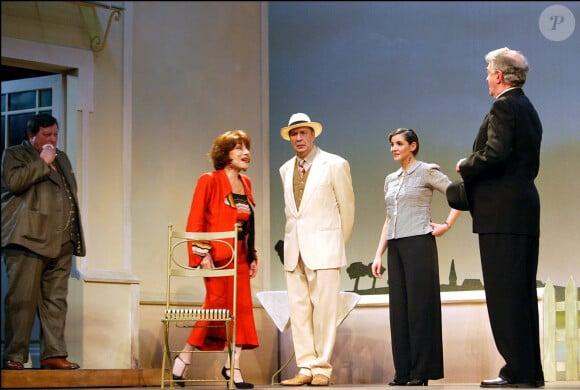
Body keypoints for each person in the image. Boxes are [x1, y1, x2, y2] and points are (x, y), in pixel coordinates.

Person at [456, 47, 544, 388]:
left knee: (506, 296)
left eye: (488, 71)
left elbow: (495, 153)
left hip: (502, 216)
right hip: (521, 211)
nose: (485, 78)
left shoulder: (504, 106)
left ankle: (516, 371)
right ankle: (528, 371)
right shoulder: (528, 108)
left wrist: (466, 165)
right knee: (519, 294)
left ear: (499, 76)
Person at [371, 128, 461, 387]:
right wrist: (379, 253)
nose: (394, 148)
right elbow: (389, 218)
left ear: (413, 145)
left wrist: (446, 225)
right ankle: (404, 372)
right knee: (399, 311)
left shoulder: (426, 171)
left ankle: (421, 371)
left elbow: (459, 195)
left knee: (420, 310)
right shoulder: (391, 179)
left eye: (399, 143)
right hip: (396, 248)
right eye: (391, 144)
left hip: (419, 244)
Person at [171, 130, 259, 389]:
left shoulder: (247, 183)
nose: (246, 153)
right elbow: (195, 219)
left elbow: (248, 223)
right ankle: (184, 356)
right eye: (238, 148)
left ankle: (233, 366)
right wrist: (202, 252)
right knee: (216, 307)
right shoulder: (208, 180)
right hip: (218, 257)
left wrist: (252, 254)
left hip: (240, 256)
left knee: (241, 311)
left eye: (247, 148)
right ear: (225, 154)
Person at [1, 113, 85, 370]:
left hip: (61, 242)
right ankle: (15, 355)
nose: (52, 140)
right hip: (27, 238)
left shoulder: (62, 157)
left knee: (56, 301)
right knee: (22, 300)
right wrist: (41, 162)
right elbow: (14, 183)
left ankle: (53, 353)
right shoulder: (15, 154)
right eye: (46, 135)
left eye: (55, 134)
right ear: (31, 136)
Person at [278, 113, 355, 387]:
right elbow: (293, 214)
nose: (298, 138)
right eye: (294, 134)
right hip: (294, 249)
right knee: (299, 311)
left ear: (313, 135)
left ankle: (322, 366)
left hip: (324, 247)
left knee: (324, 311)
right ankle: (305, 366)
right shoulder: (286, 169)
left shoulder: (334, 164)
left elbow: (347, 208)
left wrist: (335, 242)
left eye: (303, 133)